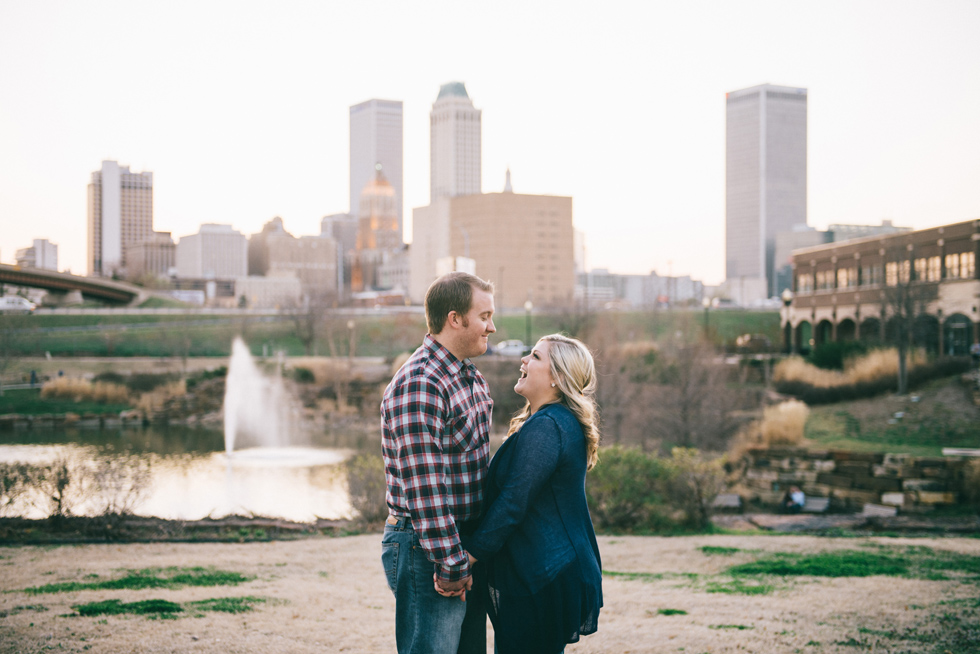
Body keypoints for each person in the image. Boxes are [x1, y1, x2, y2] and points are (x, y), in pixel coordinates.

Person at [454, 334, 603, 654]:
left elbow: (513, 502)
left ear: (557, 377)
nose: (523, 360)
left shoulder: (548, 426)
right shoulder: (555, 421)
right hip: (548, 570)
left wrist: (469, 557)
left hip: (544, 574)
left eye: (535, 356)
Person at [380, 271, 496, 654]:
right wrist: (451, 564)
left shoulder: (467, 374)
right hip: (427, 547)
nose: (492, 327)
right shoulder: (422, 382)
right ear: (455, 319)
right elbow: (425, 489)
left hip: (461, 543)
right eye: (484, 316)